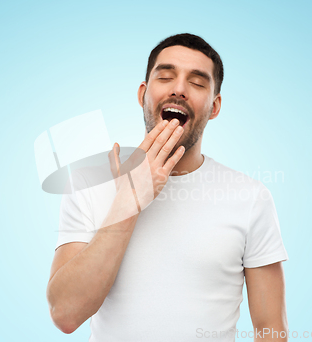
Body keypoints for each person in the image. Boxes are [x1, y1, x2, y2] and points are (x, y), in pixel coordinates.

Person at [46, 33, 289, 342]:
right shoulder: (87, 185)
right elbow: (65, 314)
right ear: (143, 94)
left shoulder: (251, 197)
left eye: (198, 83)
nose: (179, 89)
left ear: (214, 107)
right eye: (165, 77)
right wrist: (129, 202)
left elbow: (272, 331)